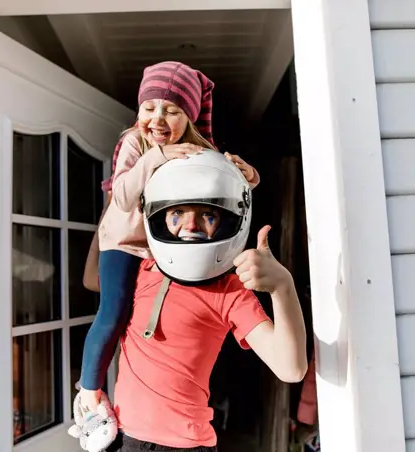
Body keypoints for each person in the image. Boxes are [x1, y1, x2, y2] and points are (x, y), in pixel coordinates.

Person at [83, 151, 308, 451]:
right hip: (123, 438)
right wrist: (111, 212)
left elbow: (290, 368)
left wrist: (283, 286)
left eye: (208, 214)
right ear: (159, 216)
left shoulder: (229, 290)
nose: (190, 225)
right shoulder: (141, 269)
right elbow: (90, 279)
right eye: (177, 214)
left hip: (185, 446)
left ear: (226, 221)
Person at [78, 61, 260, 411]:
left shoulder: (199, 148)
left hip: (161, 247)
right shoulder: (135, 142)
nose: (157, 119)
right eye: (149, 108)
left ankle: (146, 395)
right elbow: (123, 197)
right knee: (113, 313)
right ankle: (88, 394)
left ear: (189, 117)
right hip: (124, 243)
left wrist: (249, 177)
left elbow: (220, 184)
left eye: (172, 110)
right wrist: (155, 158)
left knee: (153, 320)